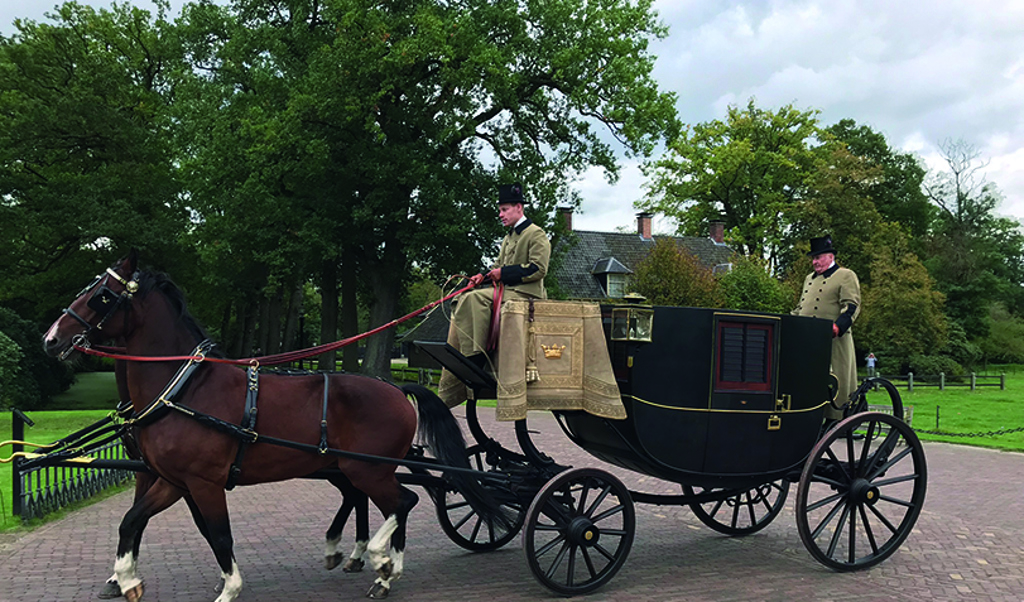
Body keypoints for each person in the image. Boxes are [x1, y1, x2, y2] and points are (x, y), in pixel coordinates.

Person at [451, 182, 551, 369]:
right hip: (508, 291)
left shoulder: (536, 234)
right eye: (500, 210)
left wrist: (502, 273)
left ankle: (477, 355)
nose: (500, 215)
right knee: (463, 297)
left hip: (527, 293)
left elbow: (538, 268)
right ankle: (469, 349)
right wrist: (482, 277)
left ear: (519, 208)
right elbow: (497, 267)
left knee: (476, 299)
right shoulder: (509, 237)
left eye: (504, 210)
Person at [792, 235, 861, 420]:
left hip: (833, 342)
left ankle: (837, 418)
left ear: (830, 256)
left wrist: (838, 327)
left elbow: (851, 307)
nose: (815, 262)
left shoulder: (846, 275)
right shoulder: (809, 279)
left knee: (836, 384)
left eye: (819, 257)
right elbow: (800, 308)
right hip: (808, 342)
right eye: (813, 258)